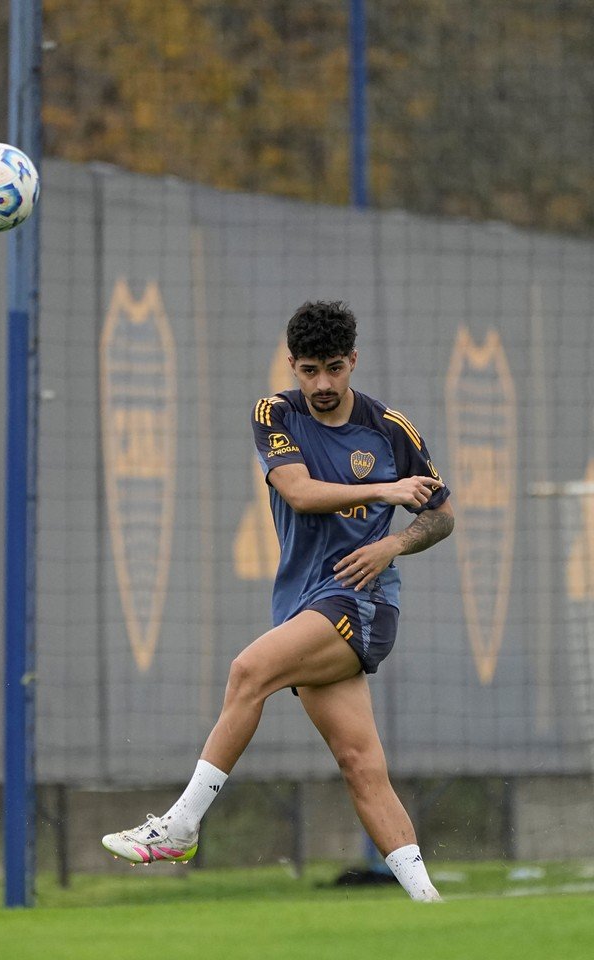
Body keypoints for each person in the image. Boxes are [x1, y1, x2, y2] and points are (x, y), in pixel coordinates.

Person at [103, 300, 455, 902]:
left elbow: (441, 515)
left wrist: (393, 544)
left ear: (353, 361)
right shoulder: (275, 413)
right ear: (292, 364)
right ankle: (430, 905)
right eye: (309, 370)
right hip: (304, 603)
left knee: (248, 671)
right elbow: (298, 492)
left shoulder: (390, 428)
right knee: (360, 765)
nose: (322, 384)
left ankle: (180, 827)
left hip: (360, 601)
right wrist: (386, 490)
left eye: (334, 369)